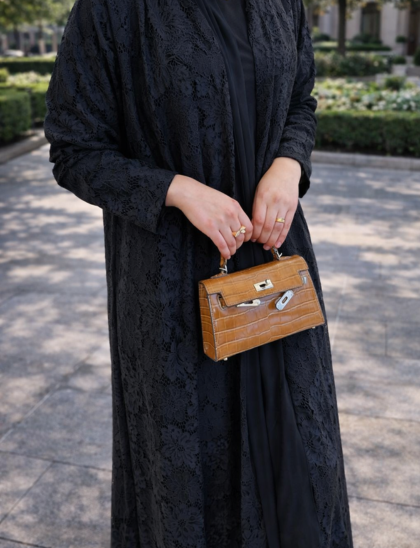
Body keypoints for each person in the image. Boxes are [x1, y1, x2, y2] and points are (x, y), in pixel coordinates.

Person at [44, 0, 354, 546]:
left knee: (305, 463)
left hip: (275, 267)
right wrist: (178, 191)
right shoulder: (112, 9)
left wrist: (288, 166)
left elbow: (300, 101)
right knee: (196, 479)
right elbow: (74, 148)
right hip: (172, 284)